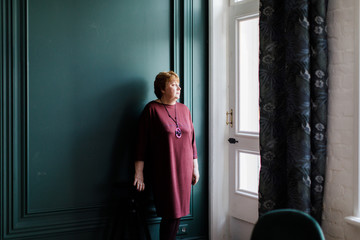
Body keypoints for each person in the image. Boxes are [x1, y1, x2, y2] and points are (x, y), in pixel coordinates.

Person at [133, 71, 200, 240]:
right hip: (165, 171)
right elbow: (141, 144)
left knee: (177, 215)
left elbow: (192, 142)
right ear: (162, 89)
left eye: (178, 84)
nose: (178, 87)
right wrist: (139, 173)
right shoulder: (151, 110)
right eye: (173, 84)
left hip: (184, 170)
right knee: (171, 213)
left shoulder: (184, 109)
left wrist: (195, 168)